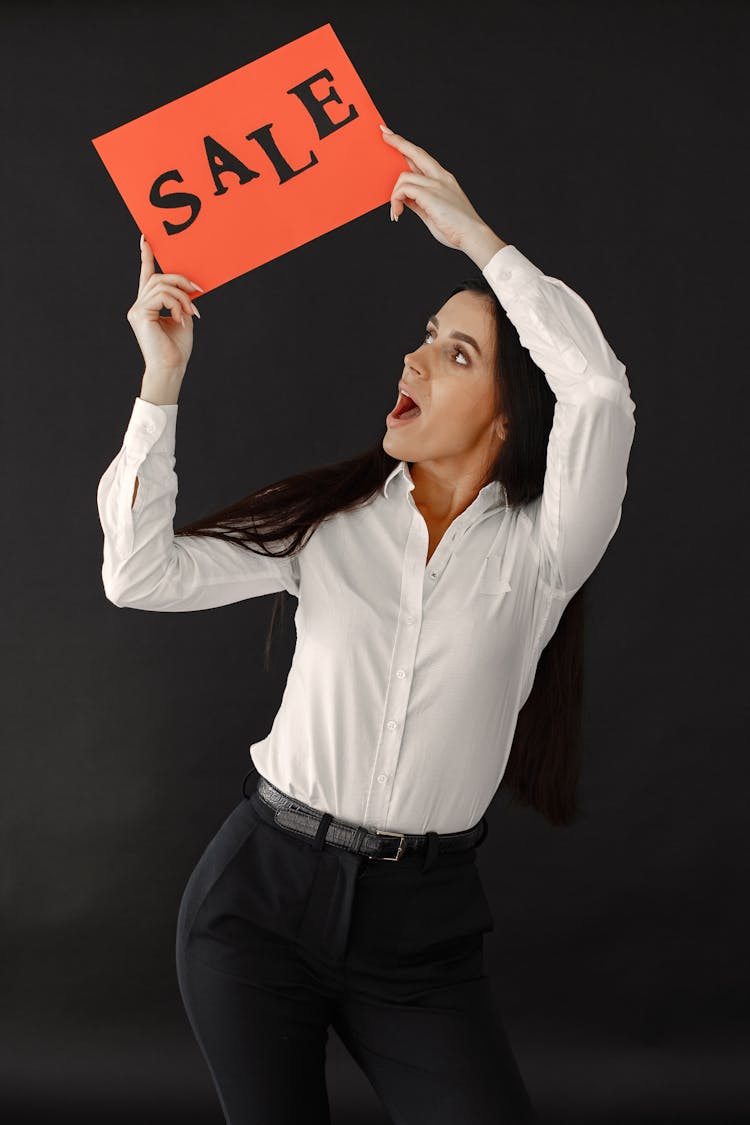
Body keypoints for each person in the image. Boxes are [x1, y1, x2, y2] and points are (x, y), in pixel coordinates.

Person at [96, 125, 636, 1124]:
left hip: (421, 935)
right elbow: (139, 575)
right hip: (257, 901)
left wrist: (477, 239)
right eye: (426, 333)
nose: (418, 355)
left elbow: (597, 390)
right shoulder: (329, 526)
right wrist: (159, 382)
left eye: (456, 350)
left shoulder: (545, 551)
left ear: (508, 416)